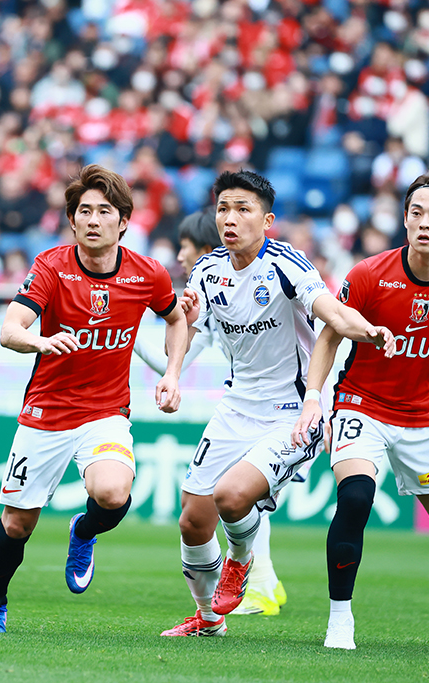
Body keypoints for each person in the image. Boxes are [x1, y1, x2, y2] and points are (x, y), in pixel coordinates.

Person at [159, 170, 394, 638]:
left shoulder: (287, 263)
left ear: (266, 220)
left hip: (292, 414)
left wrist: (365, 329)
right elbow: (186, 324)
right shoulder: (207, 271)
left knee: (231, 497)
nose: (230, 219)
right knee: (192, 521)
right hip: (235, 407)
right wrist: (172, 373)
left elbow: (330, 310)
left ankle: (240, 560)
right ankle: (208, 620)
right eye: (223, 209)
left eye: (242, 209)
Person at [0, 164, 189, 634]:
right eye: (84, 211)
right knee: (16, 525)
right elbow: (9, 330)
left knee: (112, 493)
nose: (94, 220)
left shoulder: (147, 273)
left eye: (105, 211)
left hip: (105, 413)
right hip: (46, 413)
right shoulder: (51, 266)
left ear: (124, 221)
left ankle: (83, 530)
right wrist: (40, 341)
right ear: (72, 220)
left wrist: (172, 373)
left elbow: (176, 319)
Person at [292, 170, 429, 650]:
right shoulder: (368, 274)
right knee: (356, 499)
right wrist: (314, 397)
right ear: (404, 219)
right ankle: (340, 618)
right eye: (416, 213)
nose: (424, 222)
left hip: (421, 415)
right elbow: (329, 337)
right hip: (360, 405)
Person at [133, 208, 289, 617]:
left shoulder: (265, 281)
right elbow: (174, 357)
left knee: (245, 497)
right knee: (234, 500)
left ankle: (258, 585)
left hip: (285, 414)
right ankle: (262, 585)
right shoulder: (211, 297)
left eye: (185, 246)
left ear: (205, 248)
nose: (180, 256)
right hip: (245, 410)